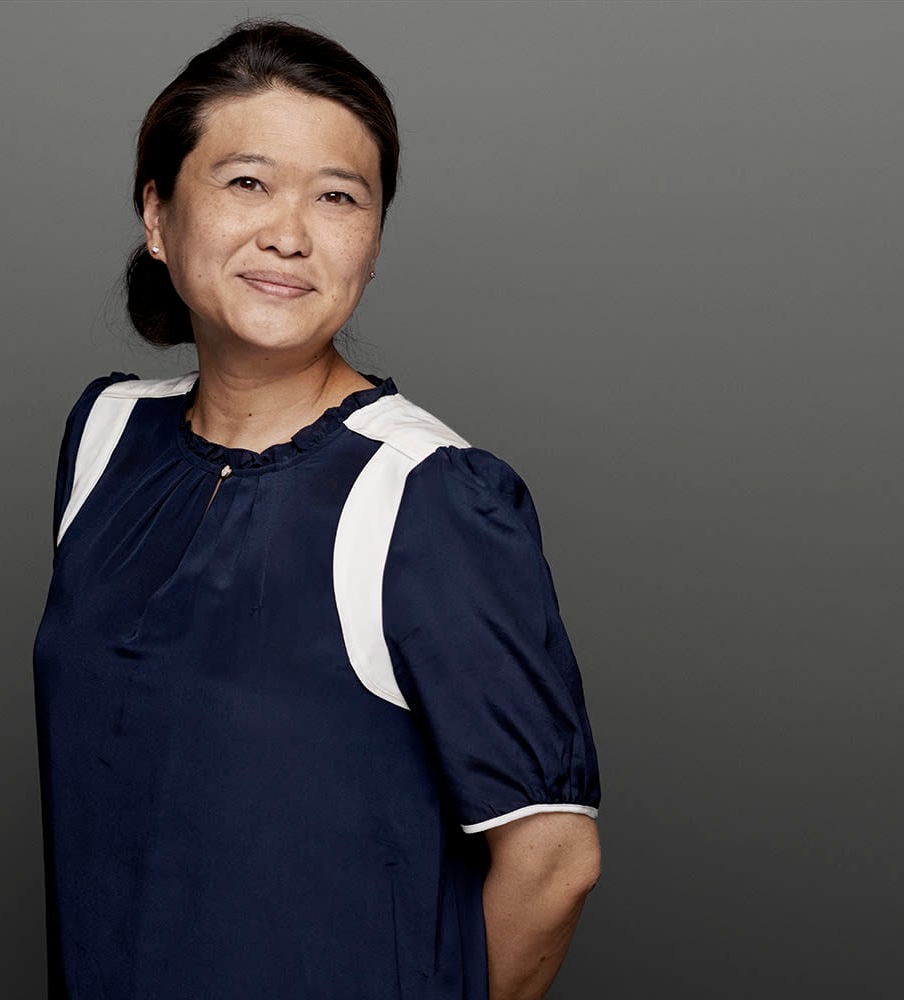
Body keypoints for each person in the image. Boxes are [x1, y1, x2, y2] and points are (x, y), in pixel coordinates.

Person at [34, 19, 600, 1000]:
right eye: (246, 182)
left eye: (339, 196)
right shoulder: (105, 435)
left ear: (373, 242)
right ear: (158, 214)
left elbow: (554, 862)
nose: (289, 234)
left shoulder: (430, 498)